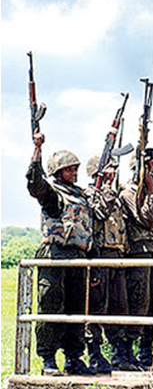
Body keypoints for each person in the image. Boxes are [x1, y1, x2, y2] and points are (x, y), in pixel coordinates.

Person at [27, 132, 93, 375]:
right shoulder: (51, 192)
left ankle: (74, 357)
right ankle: (48, 359)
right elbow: (35, 183)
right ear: (57, 172)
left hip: (78, 256)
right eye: (69, 170)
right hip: (55, 253)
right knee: (51, 307)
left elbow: (88, 228)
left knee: (76, 310)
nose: (74, 174)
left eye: (75, 170)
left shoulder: (80, 195)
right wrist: (37, 150)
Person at [119, 150, 153, 369]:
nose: (151, 170)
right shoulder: (129, 193)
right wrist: (150, 190)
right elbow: (147, 220)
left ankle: (148, 351)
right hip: (140, 254)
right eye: (147, 167)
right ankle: (127, 351)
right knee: (139, 303)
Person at [83, 155, 127, 374]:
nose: (113, 171)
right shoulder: (90, 194)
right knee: (96, 305)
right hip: (99, 256)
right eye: (109, 168)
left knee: (118, 305)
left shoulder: (114, 194)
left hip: (116, 256)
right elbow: (99, 212)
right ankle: (94, 353)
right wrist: (107, 187)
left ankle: (119, 352)